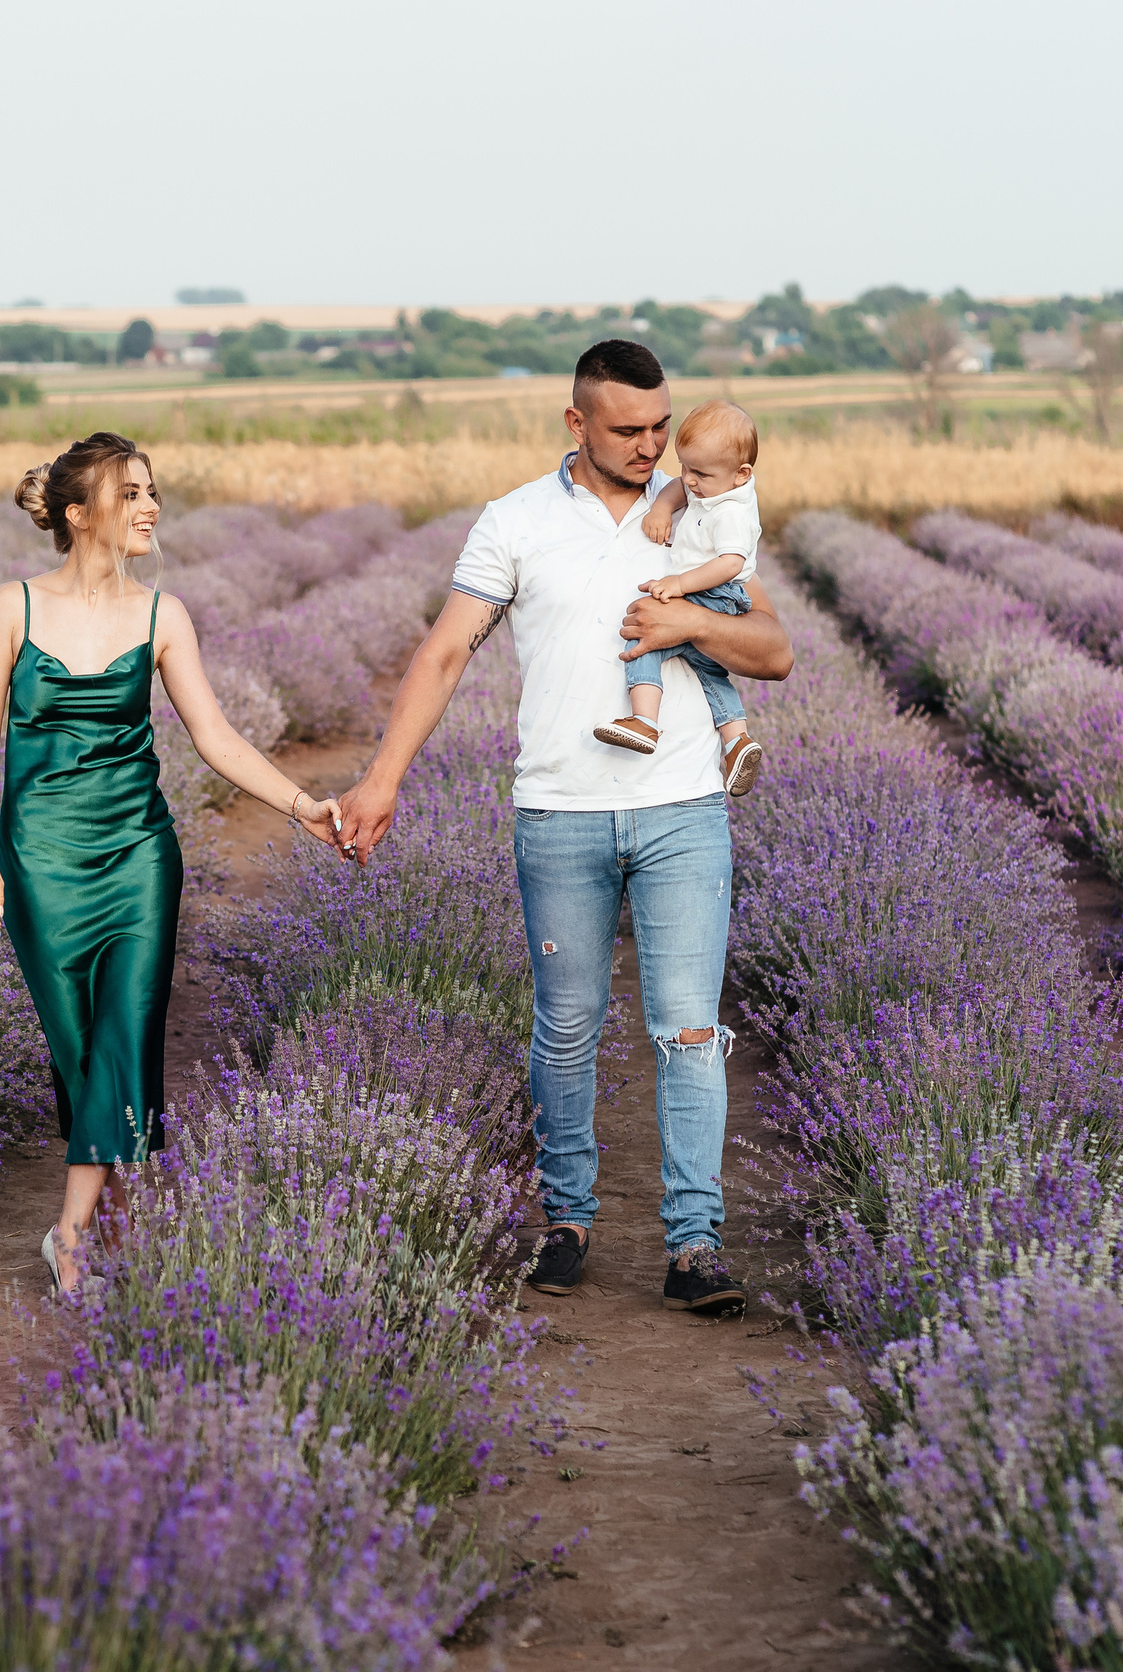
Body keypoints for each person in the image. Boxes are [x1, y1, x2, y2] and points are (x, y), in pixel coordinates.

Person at [334, 343, 794, 1312]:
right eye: (628, 429)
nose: (650, 444)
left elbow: (774, 648)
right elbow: (446, 649)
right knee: (566, 1027)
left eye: (659, 426)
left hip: (681, 811)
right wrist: (381, 779)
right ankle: (567, 1218)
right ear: (575, 424)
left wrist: (689, 627)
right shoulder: (516, 520)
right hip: (559, 813)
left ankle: (694, 1245)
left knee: (690, 1030)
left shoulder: (696, 510)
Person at [0, 432, 343, 1295]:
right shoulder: (10, 606)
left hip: (137, 852)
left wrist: (304, 808)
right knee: (78, 1044)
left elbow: (215, 738)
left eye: (152, 490)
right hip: (38, 857)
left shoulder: (164, 614)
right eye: (129, 493)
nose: (149, 506)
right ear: (76, 512)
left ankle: (71, 1233)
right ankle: (119, 1195)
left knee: (123, 1032)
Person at [593, 399, 766, 798]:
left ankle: (644, 721)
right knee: (707, 669)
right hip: (709, 591)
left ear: (742, 475)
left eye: (698, 473)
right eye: (685, 467)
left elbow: (730, 563)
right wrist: (662, 508)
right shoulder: (715, 485)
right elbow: (678, 488)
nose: (687, 479)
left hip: (713, 591)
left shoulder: (733, 513)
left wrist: (680, 584)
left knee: (645, 639)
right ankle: (737, 740)